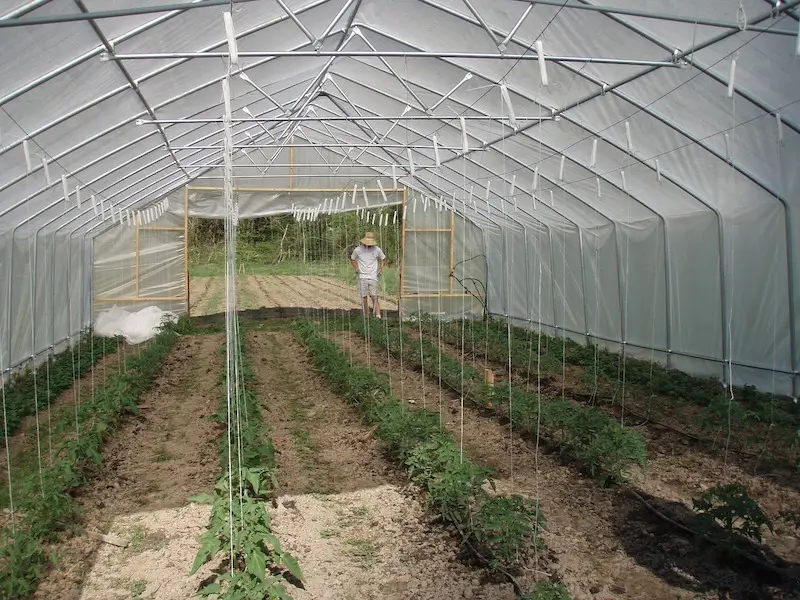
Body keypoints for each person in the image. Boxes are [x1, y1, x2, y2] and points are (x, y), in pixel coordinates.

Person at [350, 231, 387, 319]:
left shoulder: (377, 249)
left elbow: (383, 259)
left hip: (373, 277)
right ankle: (366, 315)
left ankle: (378, 316)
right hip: (362, 277)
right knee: (364, 297)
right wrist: (356, 268)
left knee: (374, 296)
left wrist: (380, 269)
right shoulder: (358, 250)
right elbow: (352, 259)